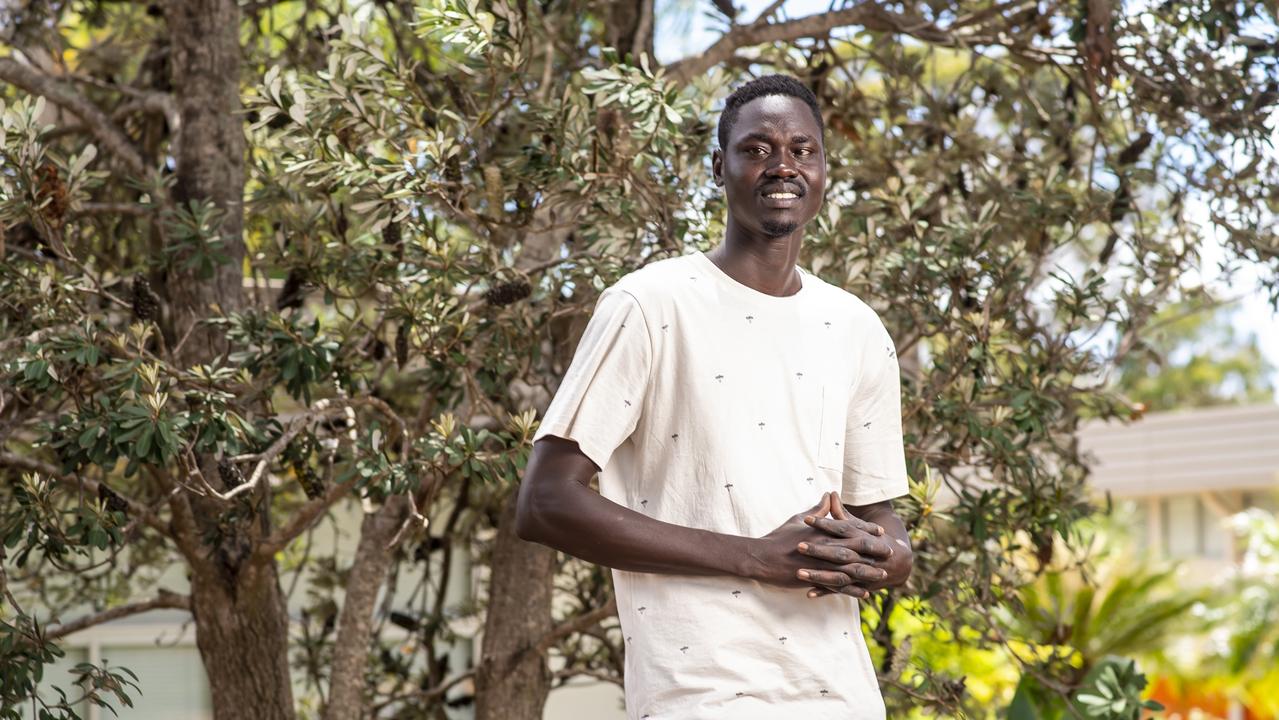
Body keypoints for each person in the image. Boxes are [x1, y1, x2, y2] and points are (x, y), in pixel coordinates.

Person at [516, 74, 913, 719]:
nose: (781, 166)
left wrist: (890, 555)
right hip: (700, 691)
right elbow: (544, 503)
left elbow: (879, 513)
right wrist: (754, 558)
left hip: (838, 693)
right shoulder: (649, 305)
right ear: (718, 168)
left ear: (823, 170)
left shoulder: (856, 328)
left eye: (802, 150)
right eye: (757, 149)